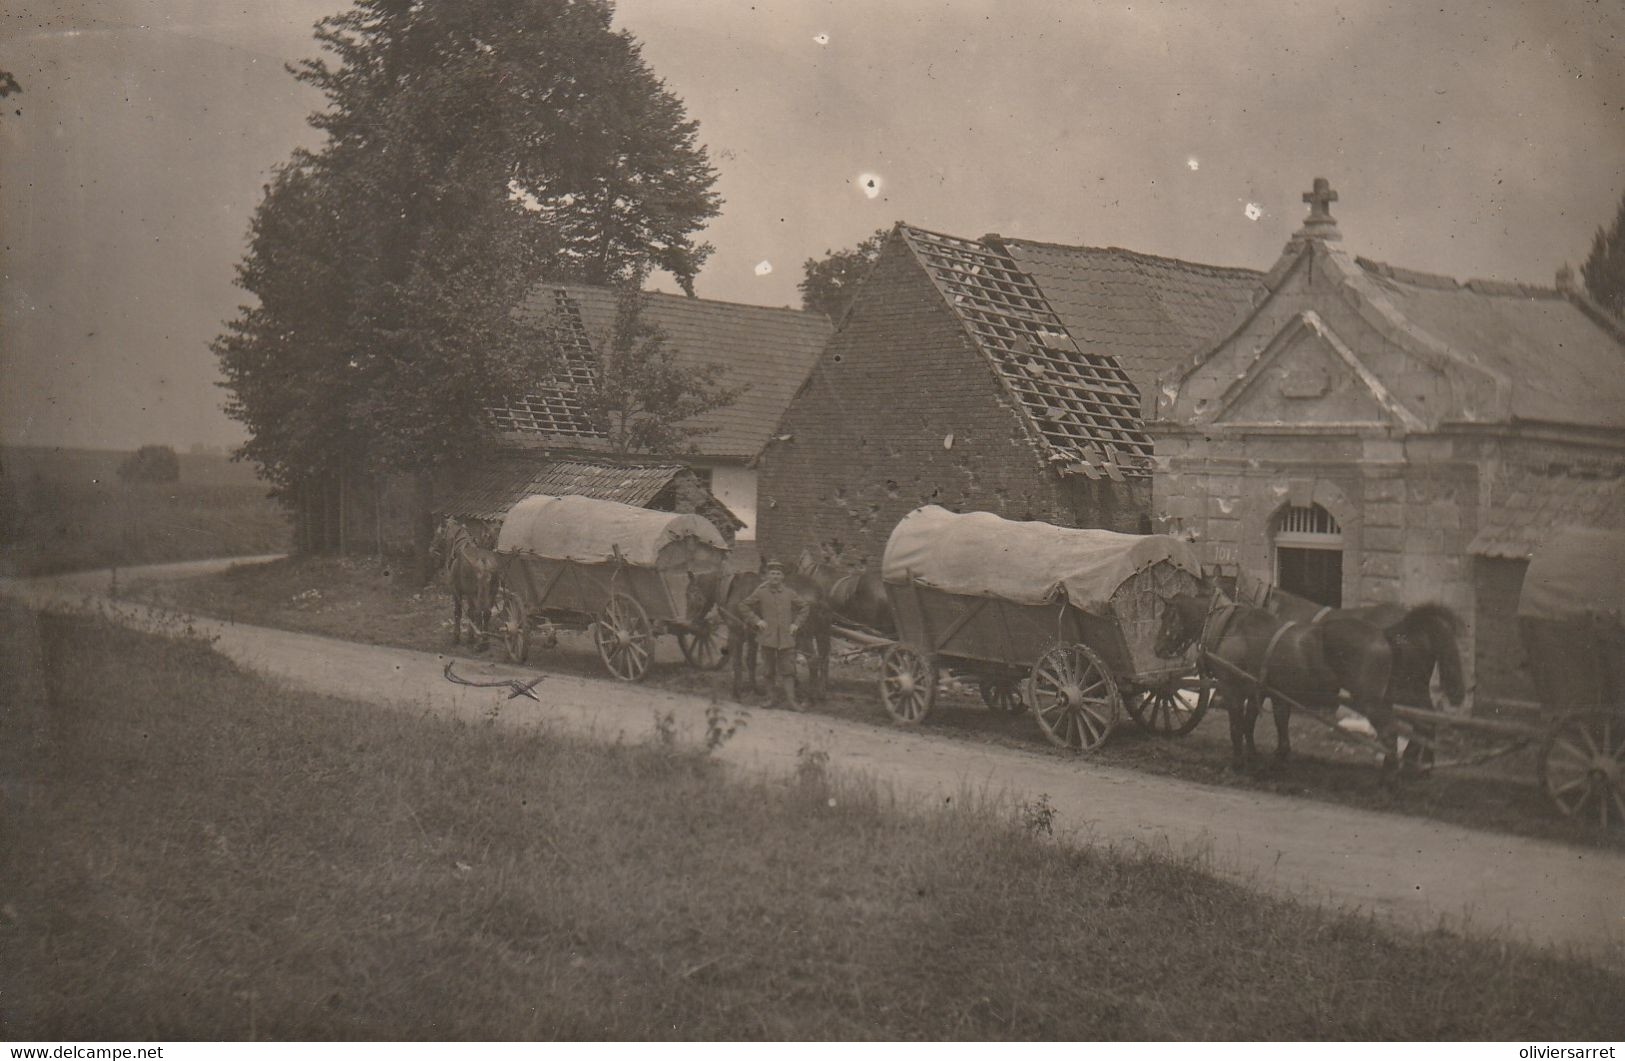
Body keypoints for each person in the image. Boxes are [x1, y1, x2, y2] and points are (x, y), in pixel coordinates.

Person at [741, 559, 809, 710]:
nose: (775, 577)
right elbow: (743, 605)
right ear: (767, 576)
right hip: (768, 638)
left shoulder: (790, 593)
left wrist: (796, 624)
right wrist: (757, 621)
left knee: (788, 670)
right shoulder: (761, 592)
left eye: (778, 574)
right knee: (768, 670)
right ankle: (770, 699)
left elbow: (804, 606)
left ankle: (792, 702)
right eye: (772, 573)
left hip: (786, 638)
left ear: (783, 577)